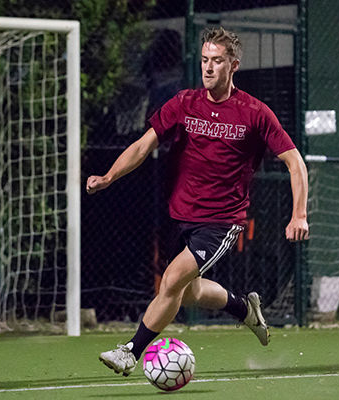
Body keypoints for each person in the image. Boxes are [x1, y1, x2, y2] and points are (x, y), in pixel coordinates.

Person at [87, 27, 309, 375]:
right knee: (187, 292)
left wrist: (299, 215)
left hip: (221, 220)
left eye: (217, 61)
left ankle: (131, 350)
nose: (208, 67)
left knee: (172, 281)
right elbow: (144, 145)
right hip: (181, 215)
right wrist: (109, 176)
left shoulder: (255, 113)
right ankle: (243, 309)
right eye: (205, 60)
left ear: (233, 66)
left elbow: (295, 162)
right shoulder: (184, 103)